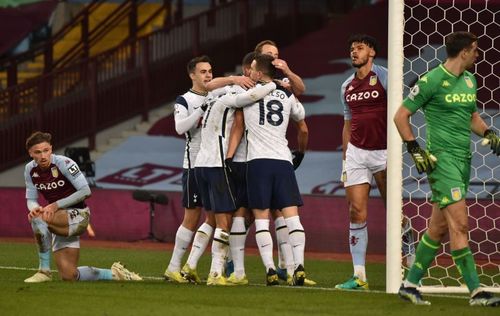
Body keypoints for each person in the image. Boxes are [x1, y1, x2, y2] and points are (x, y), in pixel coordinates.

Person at [394, 31, 500, 307]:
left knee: (438, 228)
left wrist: (488, 132)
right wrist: (415, 149)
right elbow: (401, 115)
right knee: (461, 224)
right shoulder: (432, 80)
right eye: (475, 50)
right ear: (464, 51)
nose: (478, 55)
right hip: (442, 162)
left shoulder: (469, 80)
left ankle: (409, 284)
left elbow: (471, 116)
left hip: (464, 160)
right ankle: (476, 292)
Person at [336, 34, 415, 290]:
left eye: (359, 48)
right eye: (351, 48)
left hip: (383, 151)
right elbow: (347, 122)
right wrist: (345, 157)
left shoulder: (384, 76)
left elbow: (400, 111)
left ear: (371, 52)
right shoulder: (346, 85)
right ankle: (359, 276)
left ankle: (412, 266)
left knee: (395, 211)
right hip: (357, 154)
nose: (354, 52)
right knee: (355, 212)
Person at [229, 54, 307, 286]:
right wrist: (283, 88)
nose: (249, 72)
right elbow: (301, 117)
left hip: (258, 162)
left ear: (259, 73)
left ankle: (271, 269)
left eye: (252, 69)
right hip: (283, 161)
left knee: (262, 219)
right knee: (292, 218)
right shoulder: (286, 94)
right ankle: (299, 266)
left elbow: (235, 108)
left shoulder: (248, 96)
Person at [194, 71, 278, 286]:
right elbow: (247, 99)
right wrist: (270, 86)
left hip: (201, 164)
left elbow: (212, 84)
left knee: (210, 219)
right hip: (217, 164)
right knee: (224, 221)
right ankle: (215, 273)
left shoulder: (213, 97)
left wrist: (232, 79)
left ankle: (189, 266)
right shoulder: (230, 98)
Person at [24, 131, 142, 282]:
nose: (43, 156)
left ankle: (44, 272)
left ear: (51, 149)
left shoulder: (64, 164)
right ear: (30, 153)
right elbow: (31, 199)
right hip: (59, 219)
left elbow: (86, 191)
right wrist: (34, 208)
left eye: (46, 150)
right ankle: (114, 274)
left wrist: (54, 205)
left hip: (79, 215)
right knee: (70, 276)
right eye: (38, 152)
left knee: (38, 219)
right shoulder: (30, 169)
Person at [164, 55, 216, 284]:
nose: (208, 75)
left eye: (210, 71)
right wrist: (200, 110)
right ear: (192, 75)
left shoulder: (217, 95)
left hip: (215, 164)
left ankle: (193, 266)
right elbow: (179, 128)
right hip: (194, 166)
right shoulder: (184, 100)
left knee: (216, 216)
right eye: (203, 71)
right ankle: (174, 267)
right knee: (192, 218)